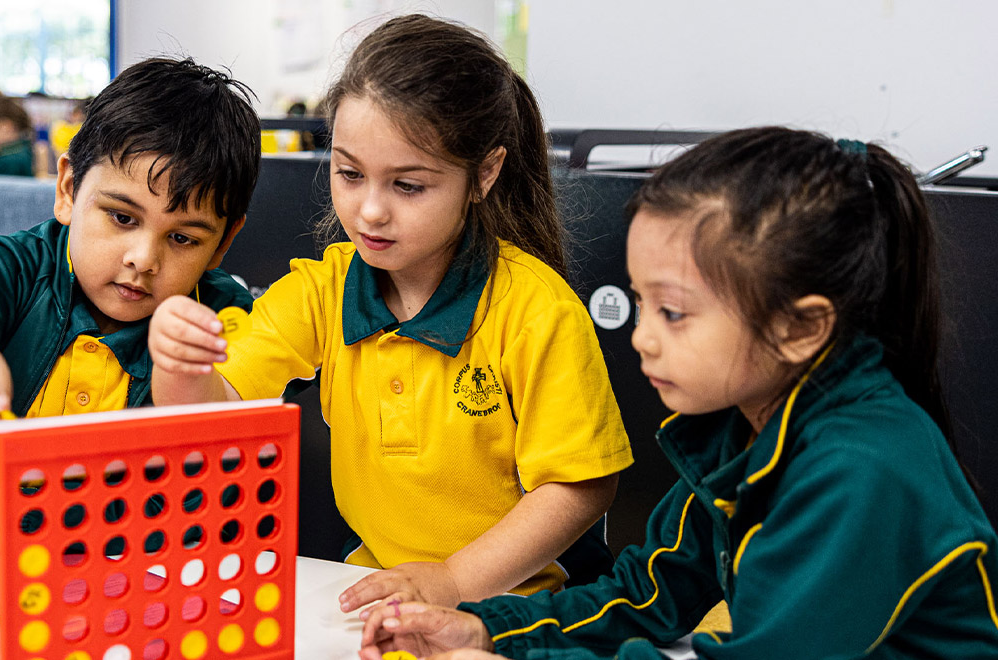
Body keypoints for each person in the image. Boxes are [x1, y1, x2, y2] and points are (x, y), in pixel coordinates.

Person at [357, 127, 998, 659]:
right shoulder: (744, 425)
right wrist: (489, 629)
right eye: (643, 305)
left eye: (675, 313)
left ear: (799, 327)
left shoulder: (860, 471)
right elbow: (648, 592)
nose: (643, 338)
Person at [149, 14, 632, 610]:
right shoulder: (322, 291)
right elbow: (209, 419)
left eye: (407, 186)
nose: (370, 211)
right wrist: (179, 365)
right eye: (349, 173)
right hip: (383, 595)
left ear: (484, 173)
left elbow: (581, 486)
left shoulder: (535, 308)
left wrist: (454, 583)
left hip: (527, 608)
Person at [0, 57, 262, 546]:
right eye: (122, 218)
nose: (143, 259)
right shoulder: (24, 266)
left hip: (124, 586)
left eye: (183, 239)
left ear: (222, 244)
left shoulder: (222, 324)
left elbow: (185, 514)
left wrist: (1, 519)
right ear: (69, 190)